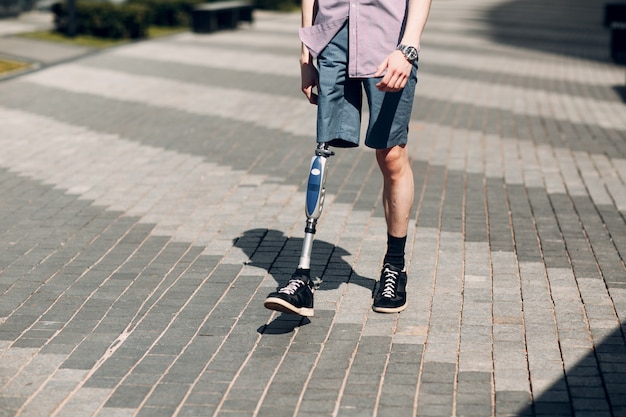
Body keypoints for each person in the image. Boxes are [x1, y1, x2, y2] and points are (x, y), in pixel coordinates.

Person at [264, 0, 432, 317]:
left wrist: (408, 47)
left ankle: (394, 266)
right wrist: (306, 52)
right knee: (323, 151)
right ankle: (302, 276)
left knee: (392, 156)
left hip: (388, 44)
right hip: (332, 40)